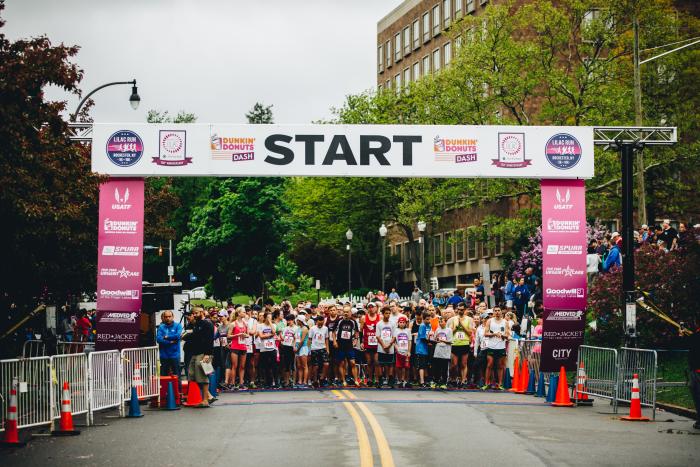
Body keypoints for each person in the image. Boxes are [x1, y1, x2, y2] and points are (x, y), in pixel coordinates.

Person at [182, 306, 215, 407]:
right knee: (192, 375)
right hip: (195, 353)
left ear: (202, 312)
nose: (195, 315)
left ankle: (205, 400)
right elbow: (193, 336)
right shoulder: (196, 324)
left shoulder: (207, 324)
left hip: (203, 353)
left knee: (202, 376)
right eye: (193, 313)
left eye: (196, 313)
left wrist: (207, 354)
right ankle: (208, 396)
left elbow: (210, 340)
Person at [483, 307, 509, 390]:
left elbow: (508, 335)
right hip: (491, 346)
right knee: (489, 364)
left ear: (501, 312)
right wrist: (494, 334)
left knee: (500, 366)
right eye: (495, 311)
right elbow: (485, 333)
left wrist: (502, 335)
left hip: (501, 346)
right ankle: (487, 383)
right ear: (493, 312)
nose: (497, 312)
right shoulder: (490, 321)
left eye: (499, 310)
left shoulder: (505, 322)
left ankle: (500, 384)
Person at [335, 305, 360, 387]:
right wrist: (335, 342)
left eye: (347, 312)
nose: (346, 313)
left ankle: (356, 380)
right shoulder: (339, 321)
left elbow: (356, 331)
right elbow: (333, 332)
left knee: (352, 362)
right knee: (341, 363)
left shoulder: (353, 322)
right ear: (342, 312)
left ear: (350, 313)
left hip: (349, 345)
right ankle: (343, 380)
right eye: (344, 312)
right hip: (341, 345)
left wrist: (356, 340)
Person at [448, 306, 473, 388]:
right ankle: (454, 379)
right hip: (455, 343)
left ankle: (463, 381)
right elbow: (450, 332)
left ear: (465, 310)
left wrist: (461, 324)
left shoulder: (469, 319)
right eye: (458, 309)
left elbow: (470, 332)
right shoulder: (453, 319)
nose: (460, 311)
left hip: (464, 343)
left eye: (462, 310)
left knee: (463, 364)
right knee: (454, 364)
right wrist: (456, 327)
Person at [227, 308, 249, 390]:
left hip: (243, 346)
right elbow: (228, 336)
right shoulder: (233, 324)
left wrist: (244, 335)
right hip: (235, 346)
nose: (245, 313)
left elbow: (248, 334)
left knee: (242, 366)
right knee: (234, 365)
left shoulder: (245, 324)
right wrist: (238, 335)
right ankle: (232, 383)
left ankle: (241, 383)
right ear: (239, 313)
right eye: (243, 312)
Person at [156, 310, 182, 377]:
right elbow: (158, 339)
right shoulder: (161, 327)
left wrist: (166, 337)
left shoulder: (178, 326)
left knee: (177, 375)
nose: (168, 318)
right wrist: (170, 342)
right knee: (164, 376)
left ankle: (178, 388)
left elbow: (177, 336)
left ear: (173, 317)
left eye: (169, 316)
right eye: (166, 317)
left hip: (175, 355)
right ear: (164, 318)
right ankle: (165, 388)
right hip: (164, 355)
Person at [376, 306, 396, 388]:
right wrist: (384, 345)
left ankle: (390, 380)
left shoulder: (392, 323)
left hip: (390, 347)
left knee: (390, 364)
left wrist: (389, 345)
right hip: (381, 347)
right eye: (386, 313)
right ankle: (380, 380)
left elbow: (394, 336)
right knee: (381, 364)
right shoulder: (379, 324)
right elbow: (378, 336)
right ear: (383, 314)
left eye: (389, 313)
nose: (387, 315)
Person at [361, 302, 381, 386]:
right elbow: (361, 330)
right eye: (369, 307)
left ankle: (377, 379)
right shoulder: (363, 318)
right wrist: (361, 342)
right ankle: (369, 379)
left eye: (372, 307)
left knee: (376, 362)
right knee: (369, 362)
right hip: (367, 341)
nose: (371, 309)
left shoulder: (380, 317)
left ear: (376, 308)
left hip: (376, 342)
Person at [257, 311, 277, 388]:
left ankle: (275, 382)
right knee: (265, 366)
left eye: (270, 317)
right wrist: (270, 335)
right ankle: (267, 382)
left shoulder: (273, 325)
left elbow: (274, 332)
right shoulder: (260, 326)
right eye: (268, 317)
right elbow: (261, 336)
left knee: (274, 366)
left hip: (272, 348)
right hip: (264, 349)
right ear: (265, 317)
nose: (269, 319)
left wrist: (270, 323)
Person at [308, 316, 330, 387]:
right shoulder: (312, 328)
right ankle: (315, 380)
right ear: (316, 322)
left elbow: (326, 339)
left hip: (323, 348)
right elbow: (310, 339)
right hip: (314, 348)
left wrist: (327, 349)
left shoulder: (325, 328)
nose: (320, 325)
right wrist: (309, 349)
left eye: (322, 323)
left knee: (326, 364)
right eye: (319, 323)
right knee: (315, 366)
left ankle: (322, 378)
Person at [432, 316, 453, 389]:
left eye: (442, 321)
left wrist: (443, 340)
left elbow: (450, 341)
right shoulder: (437, 330)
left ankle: (444, 382)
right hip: (438, 351)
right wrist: (437, 340)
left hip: (445, 352)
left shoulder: (449, 330)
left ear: (445, 322)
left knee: (444, 368)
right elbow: (435, 339)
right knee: (437, 368)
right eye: (439, 322)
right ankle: (436, 381)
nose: (441, 323)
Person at [394, 316, 412, 388]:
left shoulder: (408, 330)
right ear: (398, 323)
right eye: (400, 322)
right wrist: (397, 348)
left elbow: (409, 341)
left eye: (403, 322)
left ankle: (406, 381)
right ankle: (400, 380)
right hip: (399, 351)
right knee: (399, 367)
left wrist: (409, 351)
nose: (401, 324)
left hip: (406, 351)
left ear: (405, 323)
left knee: (407, 367)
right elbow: (394, 341)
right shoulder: (396, 330)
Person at [295, 315, 310, 387]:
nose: (296, 321)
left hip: (303, 347)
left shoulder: (305, 329)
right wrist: (295, 346)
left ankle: (304, 382)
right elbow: (296, 339)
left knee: (304, 366)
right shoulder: (298, 328)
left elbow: (302, 340)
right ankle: (300, 381)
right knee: (299, 366)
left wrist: (297, 348)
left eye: (298, 320)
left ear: (300, 321)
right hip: (298, 347)